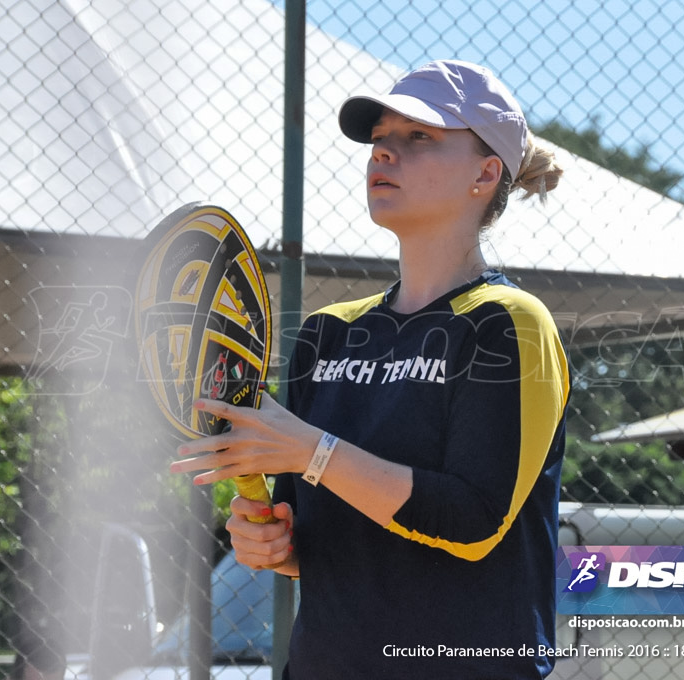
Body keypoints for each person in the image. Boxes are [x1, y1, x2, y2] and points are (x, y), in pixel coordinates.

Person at [171, 59, 570, 679]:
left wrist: (313, 452)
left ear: (486, 173)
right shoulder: (328, 332)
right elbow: (316, 538)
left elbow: (473, 524)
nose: (383, 154)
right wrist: (271, 543)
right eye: (380, 140)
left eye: (418, 138)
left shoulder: (506, 321)